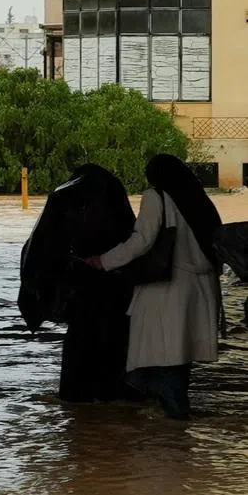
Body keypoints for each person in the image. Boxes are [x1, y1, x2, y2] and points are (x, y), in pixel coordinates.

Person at [86, 154, 222, 420]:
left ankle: (169, 424)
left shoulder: (156, 196)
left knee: (161, 354)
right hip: (201, 289)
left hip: (167, 290)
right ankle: (177, 436)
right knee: (180, 356)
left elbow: (142, 240)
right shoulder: (198, 199)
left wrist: (104, 261)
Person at [18, 163, 136, 402]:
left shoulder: (62, 198)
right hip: (115, 290)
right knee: (114, 347)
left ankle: (77, 406)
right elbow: (134, 244)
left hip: (81, 291)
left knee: (80, 347)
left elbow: (41, 250)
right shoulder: (113, 199)